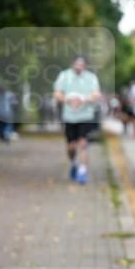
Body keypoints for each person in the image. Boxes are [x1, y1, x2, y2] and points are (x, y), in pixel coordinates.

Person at [52, 54, 102, 185]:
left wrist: (83, 99)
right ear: (72, 64)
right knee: (71, 147)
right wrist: (67, 99)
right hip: (69, 116)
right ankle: (74, 163)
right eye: (77, 64)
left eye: (82, 65)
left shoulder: (91, 77)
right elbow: (57, 93)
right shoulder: (64, 76)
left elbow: (96, 94)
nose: (79, 67)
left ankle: (82, 172)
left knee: (83, 144)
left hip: (85, 115)